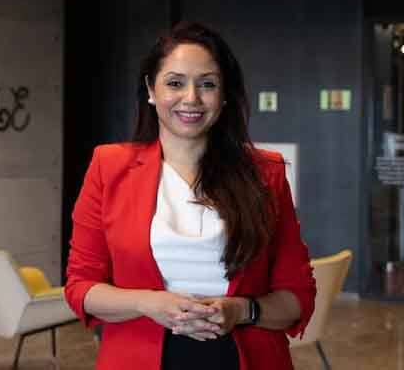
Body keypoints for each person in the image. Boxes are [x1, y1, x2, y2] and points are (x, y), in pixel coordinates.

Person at [64, 21, 316, 370]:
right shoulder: (108, 167)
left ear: (224, 95)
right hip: (138, 357)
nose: (192, 98)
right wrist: (148, 303)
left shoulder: (265, 174)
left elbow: (297, 296)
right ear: (151, 89)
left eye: (207, 84)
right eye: (175, 83)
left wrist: (242, 310)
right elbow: (81, 287)